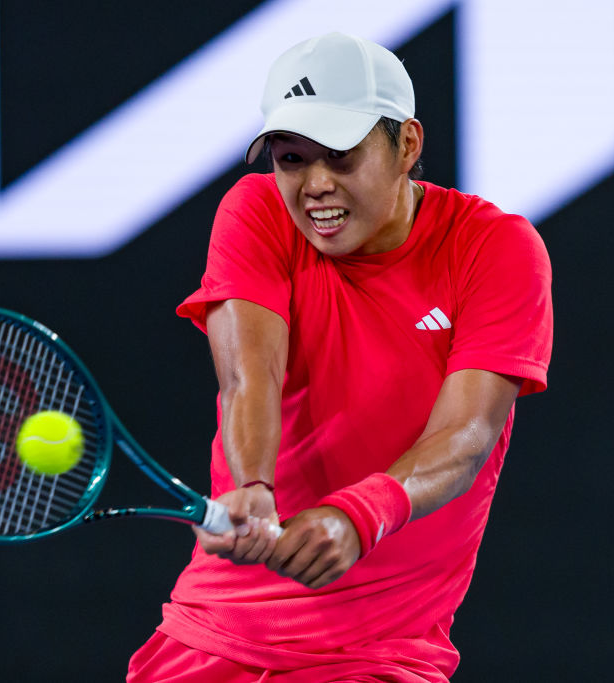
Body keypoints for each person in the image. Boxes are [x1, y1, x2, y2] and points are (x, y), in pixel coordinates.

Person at [128, 32, 553, 682]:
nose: (316, 186)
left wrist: (361, 514)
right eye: (293, 158)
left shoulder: (495, 248)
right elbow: (250, 375)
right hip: (210, 636)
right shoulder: (255, 212)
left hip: (381, 656)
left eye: (341, 156)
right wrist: (254, 487)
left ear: (407, 144)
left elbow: (467, 435)